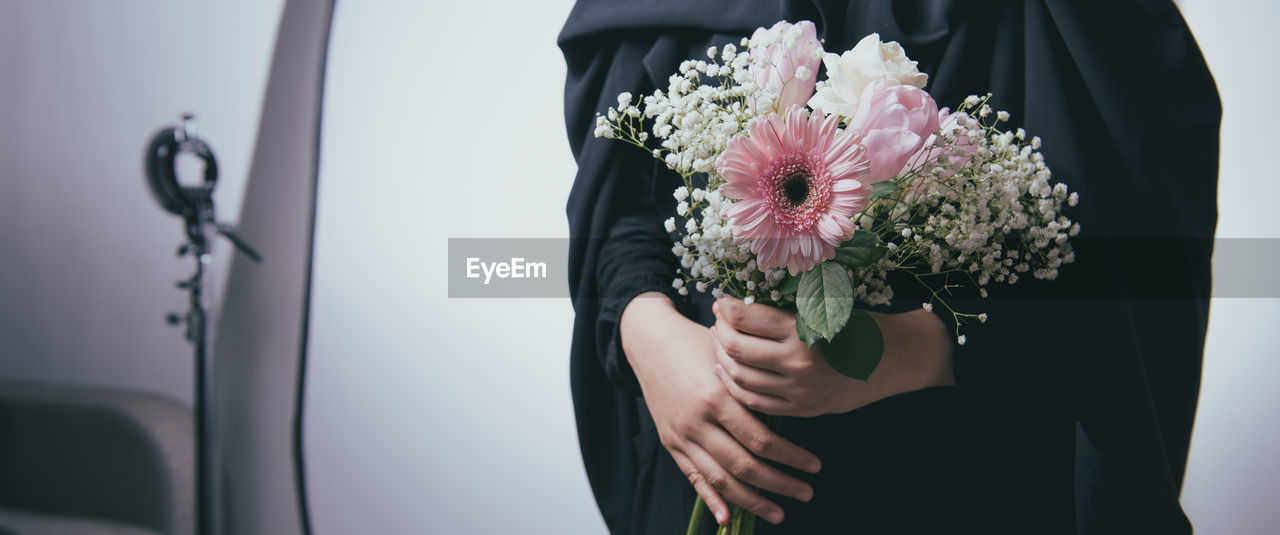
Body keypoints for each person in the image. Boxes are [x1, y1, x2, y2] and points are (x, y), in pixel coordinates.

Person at [559, 1, 1219, 533]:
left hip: (954, 483)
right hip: (713, 466)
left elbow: (1129, 235)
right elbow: (621, 183)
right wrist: (646, 331)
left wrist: (914, 350)